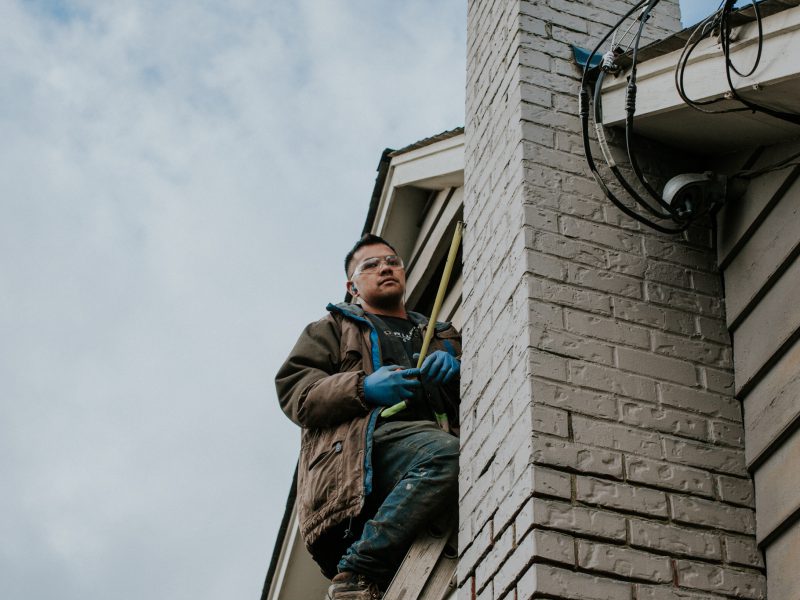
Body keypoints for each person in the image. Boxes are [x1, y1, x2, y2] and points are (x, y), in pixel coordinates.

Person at [276, 233, 461, 600]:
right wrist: (364, 388)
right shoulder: (331, 328)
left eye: (393, 261)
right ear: (352, 286)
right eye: (371, 265)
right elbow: (297, 394)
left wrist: (458, 366)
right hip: (364, 452)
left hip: (426, 456)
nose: (385, 268)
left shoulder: (441, 334)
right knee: (446, 454)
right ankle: (357, 572)